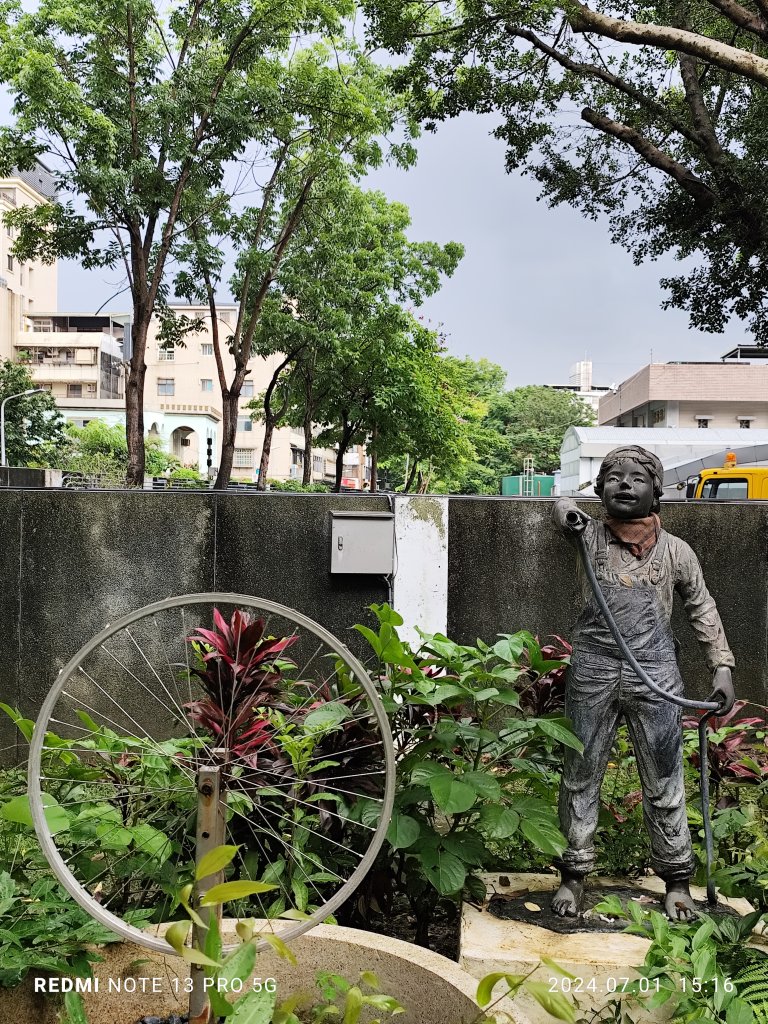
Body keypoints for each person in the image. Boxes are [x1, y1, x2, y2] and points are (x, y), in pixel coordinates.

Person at [550, 445, 735, 920]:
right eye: (614, 477)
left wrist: (721, 665)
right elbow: (560, 507)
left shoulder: (677, 551)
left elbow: (701, 607)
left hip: (654, 670)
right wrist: (570, 514)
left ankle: (676, 879)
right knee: (580, 772)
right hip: (593, 667)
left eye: (637, 477)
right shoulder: (587, 537)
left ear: (656, 491)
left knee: (665, 779)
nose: (625, 484)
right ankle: (573, 874)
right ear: (600, 489)